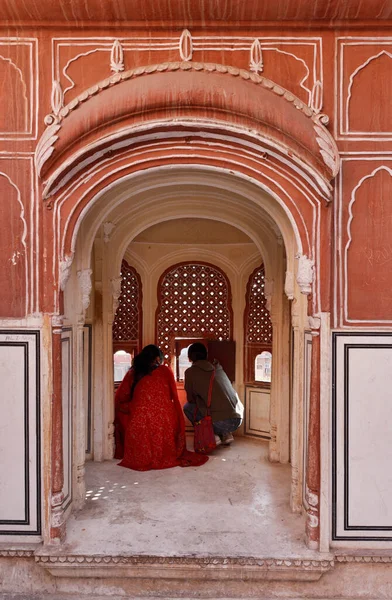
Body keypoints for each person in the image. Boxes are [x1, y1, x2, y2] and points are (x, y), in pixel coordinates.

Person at [115, 344, 208, 471]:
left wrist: (137, 404)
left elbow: (122, 397)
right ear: (158, 359)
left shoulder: (133, 372)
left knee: (124, 410)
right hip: (165, 422)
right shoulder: (165, 371)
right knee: (163, 412)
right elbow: (172, 396)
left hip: (139, 423)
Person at [183, 343, 244, 446]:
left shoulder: (190, 372)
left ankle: (211, 435)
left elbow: (191, 399)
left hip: (220, 422)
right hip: (238, 420)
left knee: (188, 407)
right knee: (217, 407)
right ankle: (226, 434)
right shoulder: (217, 367)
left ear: (189, 358)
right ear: (206, 355)